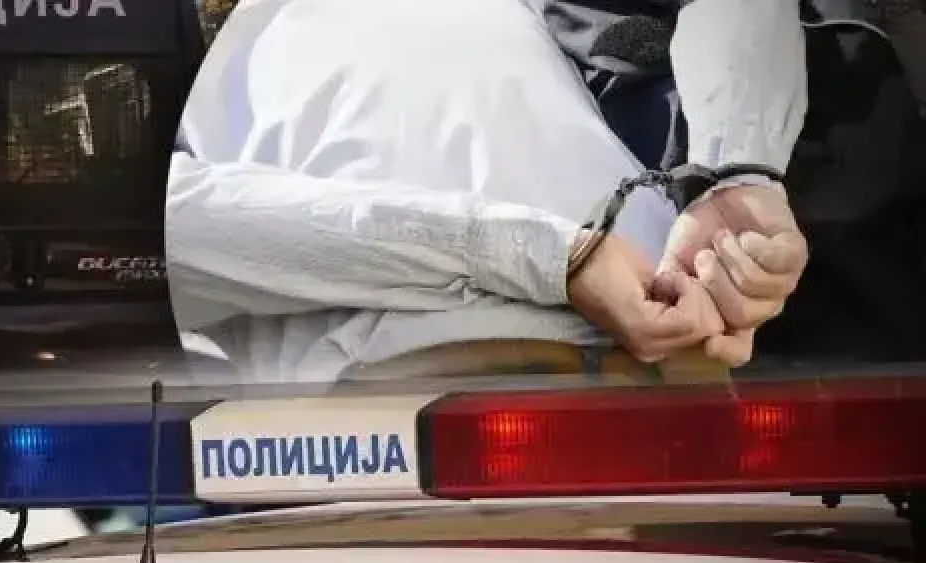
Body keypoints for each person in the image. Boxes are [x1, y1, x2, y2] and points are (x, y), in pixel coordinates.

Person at [167, 0, 810, 383]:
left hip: (670, 374)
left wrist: (740, 171)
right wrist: (550, 259)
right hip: (397, 422)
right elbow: (173, 236)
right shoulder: (186, 50)